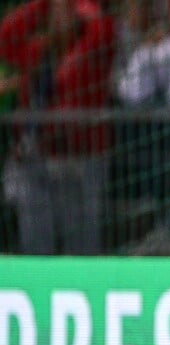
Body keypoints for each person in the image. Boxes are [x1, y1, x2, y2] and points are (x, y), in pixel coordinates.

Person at [0, 0, 115, 254]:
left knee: (81, 243)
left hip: (82, 160)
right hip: (40, 159)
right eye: (54, 12)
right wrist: (42, 6)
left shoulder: (92, 50)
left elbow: (104, 29)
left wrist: (81, 9)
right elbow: (5, 38)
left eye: (65, 11)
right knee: (36, 236)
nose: (58, 17)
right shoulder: (39, 53)